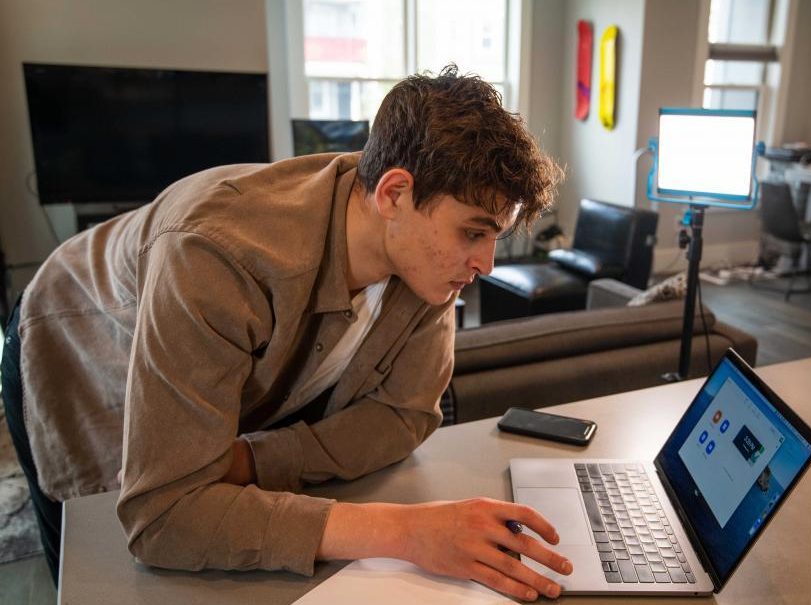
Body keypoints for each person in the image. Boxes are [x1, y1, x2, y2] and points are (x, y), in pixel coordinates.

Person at [1, 65, 571, 601]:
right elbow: (165, 515)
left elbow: (405, 415)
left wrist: (252, 461)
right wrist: (406, 531)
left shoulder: (420, 258)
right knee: (93, 565)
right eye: (474, 232)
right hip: (75, 335)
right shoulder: (219, 252)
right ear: (394, 193)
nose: (488, 264)